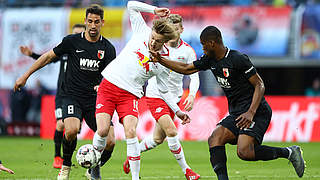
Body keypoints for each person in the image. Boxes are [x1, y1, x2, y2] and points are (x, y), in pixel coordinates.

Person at [149, 25, 305, 179]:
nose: (202, 48)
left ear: (212, 43)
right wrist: (160, 60)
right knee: (215, 138)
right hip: (237, 112)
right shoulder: (210, 60)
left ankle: (289, 152)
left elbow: (259, 84)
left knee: (244, 152)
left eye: (203, 44)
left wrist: (251, 112)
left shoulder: (238, 59)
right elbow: (186, 69)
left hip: (256, 111)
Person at [14, 4, 116, 180]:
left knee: (111, 141)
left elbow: (113, 76)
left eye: (96, 22)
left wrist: (105, 85)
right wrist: (25, 75)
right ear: (85, 21)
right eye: (90, 21)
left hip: (95, 100)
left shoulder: (108, 48)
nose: (93, 25)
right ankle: (66, 167)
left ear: (102, 23)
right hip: (72, 96)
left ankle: (94, 167)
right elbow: (47, 57)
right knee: (70, 130)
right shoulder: (72, 41)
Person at [92, 1, 191, 180]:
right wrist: (154, 10)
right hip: (109, 85)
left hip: (129, 95)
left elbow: (163, 89)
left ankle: (135, 179)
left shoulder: (162, 61)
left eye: (158, 41)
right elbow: (131, 5)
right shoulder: (141, 31)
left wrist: (177, 111)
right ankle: (94, 164)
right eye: (153, 38)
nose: (153, 42)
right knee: (103, 130)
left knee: (131, 132)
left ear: (165, 42)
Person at [122, 13, 200, 180]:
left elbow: (194, 76)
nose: (173, 32)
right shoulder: (157, 49)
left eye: (176, 29)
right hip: (156, 95)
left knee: (158, 138)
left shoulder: (187, 51)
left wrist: (192, 95)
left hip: (175, 98)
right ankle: (187, 171)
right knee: (172, 131)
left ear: (181, 29)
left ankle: (132, 155)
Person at [19, 24, 86, 169]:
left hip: (78, 95)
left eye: (80, 33)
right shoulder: (65, 50)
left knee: (72, 129)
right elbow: (47, 58)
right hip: (63, 95)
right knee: (61, 124)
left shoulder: (85, 53)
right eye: (75, 33)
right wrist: (31, 54)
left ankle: (66, 159)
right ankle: (57, 157)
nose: (77, 36)